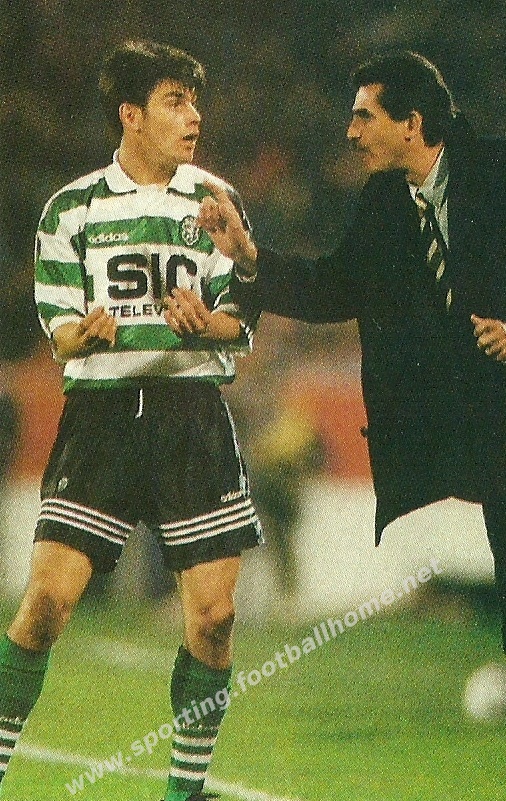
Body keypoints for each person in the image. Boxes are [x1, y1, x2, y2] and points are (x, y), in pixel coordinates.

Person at [0, 39, 262, 801]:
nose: (194, 116)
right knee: (45, 604)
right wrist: (81, 335)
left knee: (214, 617)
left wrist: (213, 324)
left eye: (195, 101)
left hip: (192, 415)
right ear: (131, 114)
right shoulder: (72, 208)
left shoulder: (215, 198)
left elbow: (244, 310)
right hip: (104, 417)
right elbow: (58, 330)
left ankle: (184, 791)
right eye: (176, 101)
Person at [193, 50, 506, 653]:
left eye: (364, 116)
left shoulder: (495, 172)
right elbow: (334, 289)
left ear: (411, 123)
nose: (350, 132)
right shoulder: (385, 199)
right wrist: (248, 256)